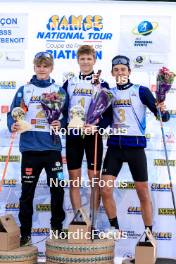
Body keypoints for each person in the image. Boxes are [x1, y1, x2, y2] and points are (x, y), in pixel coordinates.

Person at [101, 55, 170, 238]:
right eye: (116, 70)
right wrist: (94, 125)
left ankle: (148, 233)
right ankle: (114, 228)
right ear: (112, 73)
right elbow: (106, 119)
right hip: (115, 146)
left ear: (129, 72)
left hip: (135, 147)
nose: (120, 72)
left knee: (142, 191)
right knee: (105, 189)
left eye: (123, 69)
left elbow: (162, 116)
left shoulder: (141, 90)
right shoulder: (109, 93)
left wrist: (163, 110)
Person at [7, 51, 68, 246]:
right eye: (39, 65)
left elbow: (67, 116)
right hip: (30, 150)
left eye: (46, 65)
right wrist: (13, 125)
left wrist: (62, 122)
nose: (42, 69)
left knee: (57, 191)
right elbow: (12, 113)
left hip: (52, 150)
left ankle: (57, 230)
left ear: (51, 68)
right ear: (34, 67)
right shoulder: (24, 90)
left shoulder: (59, 90)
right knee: (27, 194)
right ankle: (25, 234)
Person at [63, 45, 110, 223]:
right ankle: (79, 221)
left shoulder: (102, 84)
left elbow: (108, 115)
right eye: (82, 59)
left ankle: (93, 221)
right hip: (73, 134)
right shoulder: (70, 82)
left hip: (93, 136)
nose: (85, 62)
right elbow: (61, 108)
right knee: (74, 179)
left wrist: (97, 127)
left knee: (94, 179)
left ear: (94, 61)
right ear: (77, 60)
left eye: (89, 59)